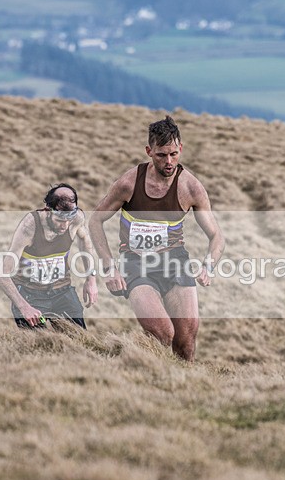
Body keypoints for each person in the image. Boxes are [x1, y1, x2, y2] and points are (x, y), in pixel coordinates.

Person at [88, 116, 225, 361]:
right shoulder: (130, 182)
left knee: (186, 342)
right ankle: (149, 376)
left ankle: (185, 390)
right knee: (163, 333)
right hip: (136, 265)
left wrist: (209, 266)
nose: (169, 161)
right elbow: (96, 221)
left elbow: (216, 235)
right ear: (149, 151)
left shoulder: (191, 188)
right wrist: (110, 268)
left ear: (180, 148)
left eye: (174, 154)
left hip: (174, 263)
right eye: (162, 155)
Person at [0, 184, 98, 329]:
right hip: (30, 295)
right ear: (48, 210)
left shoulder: (77, 218)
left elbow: (85, 243)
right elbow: (2, 275)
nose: (65, 225)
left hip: (62, 291)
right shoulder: (29, 226)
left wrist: (91, 279)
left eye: (69, 220)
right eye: (60, 220)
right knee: (39, 346)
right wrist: (24, 307)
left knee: (77, 340)